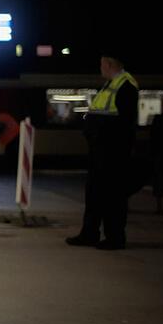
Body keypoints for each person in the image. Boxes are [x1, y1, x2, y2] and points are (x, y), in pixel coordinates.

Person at [66, 53, 139, 249]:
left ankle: (115, 238)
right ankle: (89, 233)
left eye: (101, 64)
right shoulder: (110, 85)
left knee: (113, 196)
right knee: (94, 194)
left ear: (108, 64)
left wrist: (99, 134)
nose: (100, 68)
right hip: (100, 151)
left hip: (113, 153)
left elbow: (124, 123)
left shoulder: (126, 85)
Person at [151, 97, 163, 215]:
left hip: (160, 153)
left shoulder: (158, 119)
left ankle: (160, 206)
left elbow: (154, 137)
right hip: (162, 153)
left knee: (160, 180)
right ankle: (162, 206)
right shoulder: (159, 119)